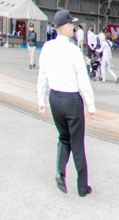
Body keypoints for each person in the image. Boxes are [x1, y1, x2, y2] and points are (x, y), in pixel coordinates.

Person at [36, 10, 96, 197]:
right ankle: (82, 187)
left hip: (55, 99)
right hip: (71, 101)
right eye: (72, 25)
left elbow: (42, 76)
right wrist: (90, 104)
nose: (74, 28)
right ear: (66, 27)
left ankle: (60, 173)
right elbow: (83, 80)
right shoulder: (73, 50)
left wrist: (41, 101)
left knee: (63, 138)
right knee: (77, 143)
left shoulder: (47, 47)